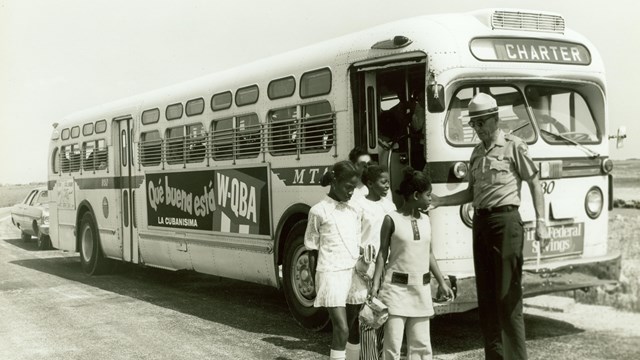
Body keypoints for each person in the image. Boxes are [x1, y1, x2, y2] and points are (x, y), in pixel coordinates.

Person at [431, 92, 550, 360]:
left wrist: (542, 222)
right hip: (481, 223)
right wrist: (440, 201)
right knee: (486, 300)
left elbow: (534, 183)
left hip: (506, 223)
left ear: (495, 120)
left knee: (508, 298)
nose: (478, 129)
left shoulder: (514, 146)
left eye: (482, 122)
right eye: (473, 124)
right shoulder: (476, 153)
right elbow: (470, 194)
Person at [371, 167, 455, 360]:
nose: (430, 199)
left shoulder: (426, 219)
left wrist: (442, 282)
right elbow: (382, 254)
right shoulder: (390, 219)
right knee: (392, 347)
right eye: (428, 195)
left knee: (422, 348)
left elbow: (429, 254)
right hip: (395, 292)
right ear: (416, 195)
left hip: (421, 291)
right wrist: (375, 285)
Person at [305, 160, 362, 360]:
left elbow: (356, 241)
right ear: (335, 182)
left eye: (353, 189)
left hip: (353, 272)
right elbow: (312, 249)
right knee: (342, 328)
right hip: (330, 274)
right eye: (348, 187)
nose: (351, 193)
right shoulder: (318, 211)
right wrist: (314, 280)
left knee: (354, 326)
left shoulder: (354, 210)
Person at [348, 164, 396, 360]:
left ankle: (378, 354)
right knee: (364, 314)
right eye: (383, 182)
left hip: (385, 265)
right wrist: (361, 252)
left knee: (383, 313)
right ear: (369, 183)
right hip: (364, 268)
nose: (387, 186)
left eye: (388, 182)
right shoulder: (358, 205)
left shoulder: (389, 206)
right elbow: (352, 235)